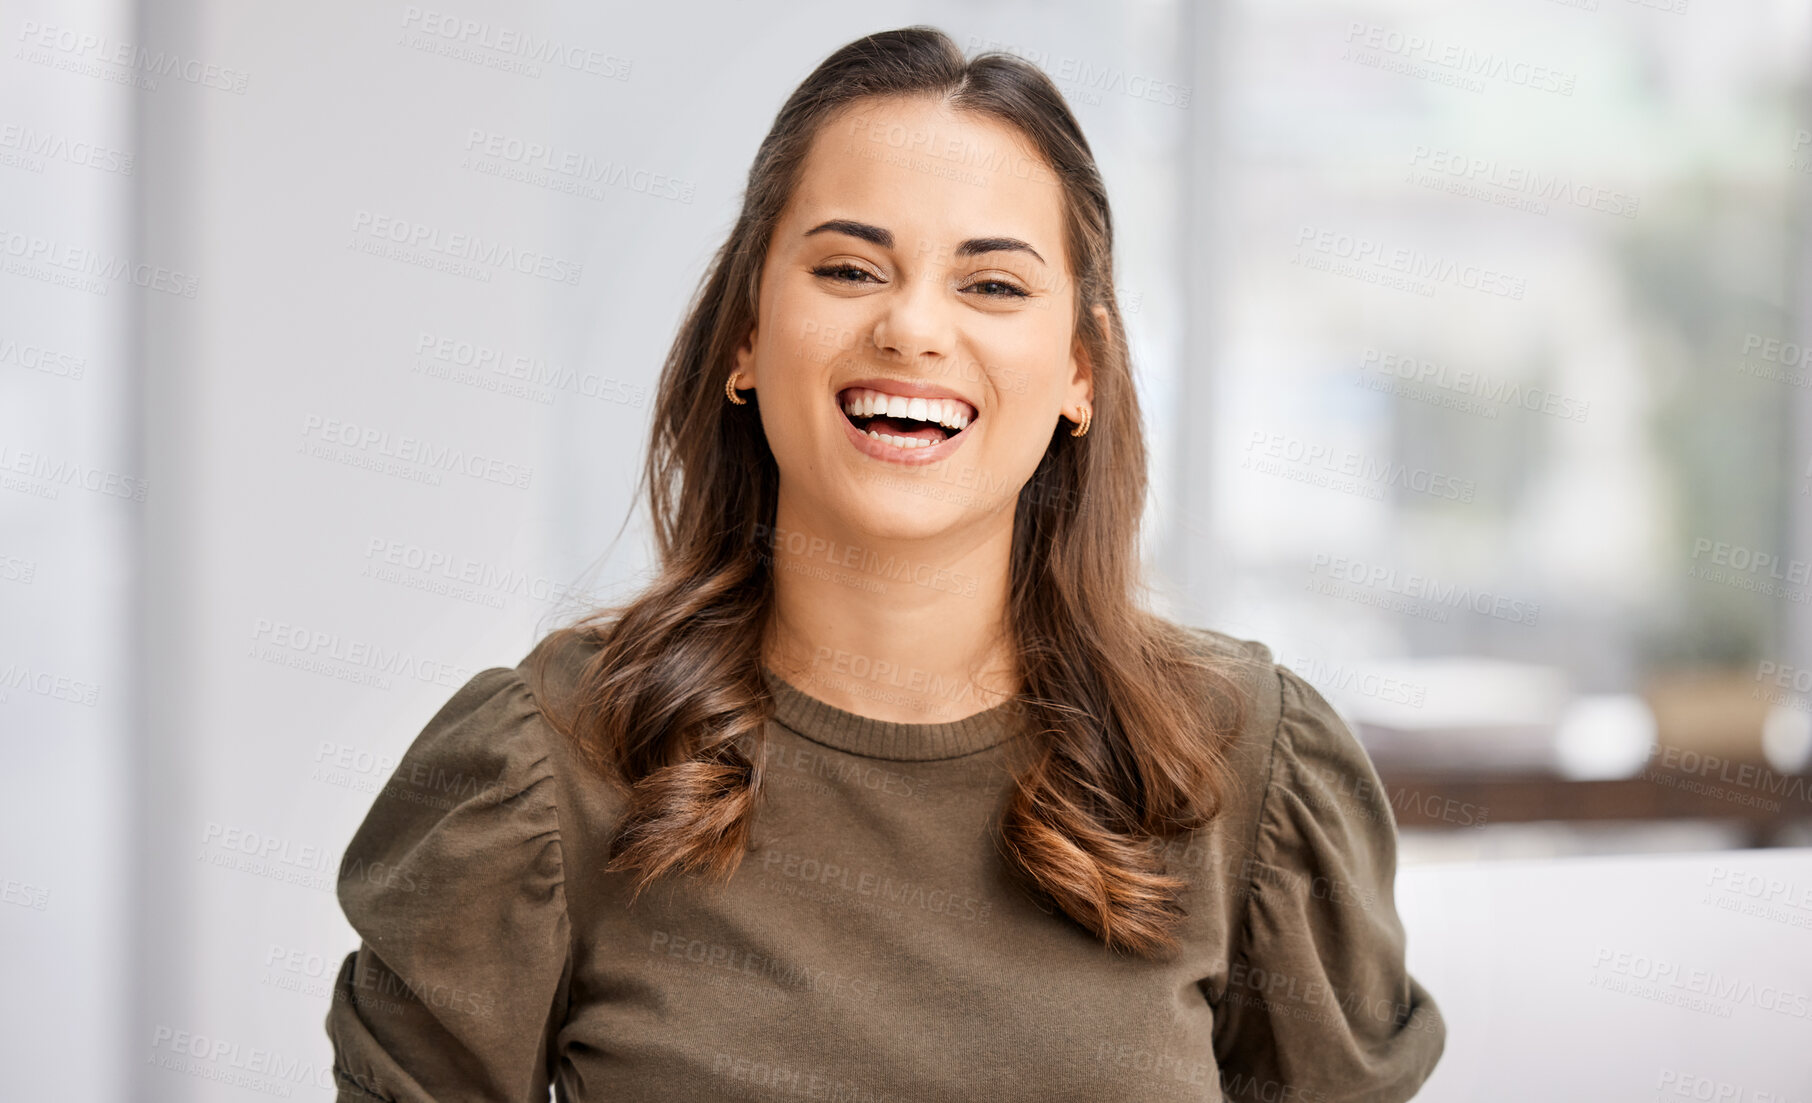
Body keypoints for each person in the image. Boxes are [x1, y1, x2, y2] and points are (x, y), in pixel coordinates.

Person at [324, 25, 1445, 1102]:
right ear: (747, 339)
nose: (913, 326)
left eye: (993, 285)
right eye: (851, 268)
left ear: (1080, 375)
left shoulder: (1247, 762)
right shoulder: (544, 765)